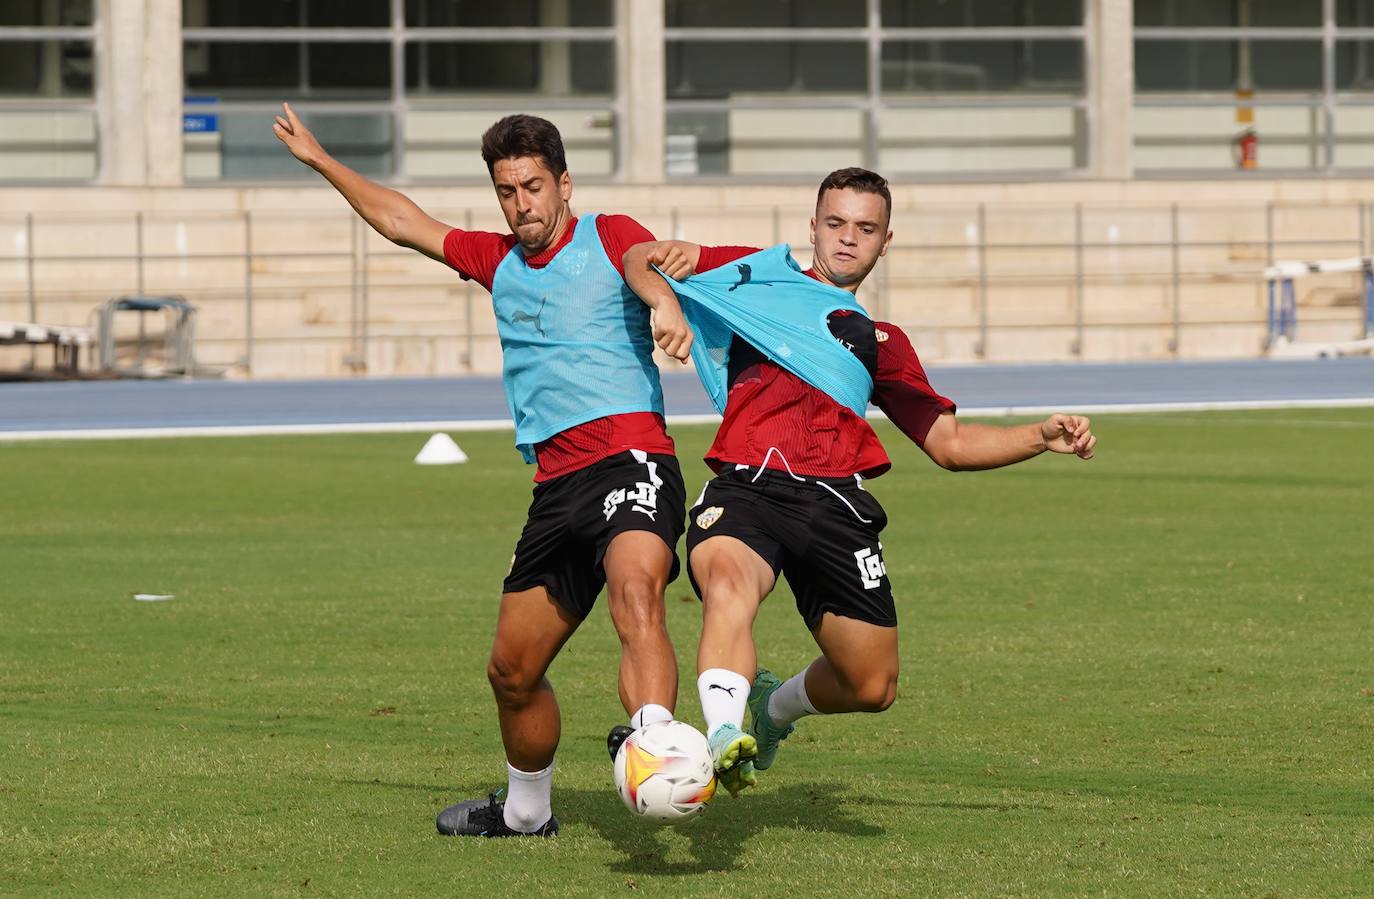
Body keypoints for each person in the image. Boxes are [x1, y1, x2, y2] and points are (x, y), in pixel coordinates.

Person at [274, 106, 698, 836]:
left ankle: (655, 744)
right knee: (511, 669)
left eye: (533, 186)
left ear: (565, 183)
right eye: (507, 190)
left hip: (632, 458)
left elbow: (642, 261)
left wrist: (662, 300)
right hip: (555, 485)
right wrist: (322, 161)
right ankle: (527, 814)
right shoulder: (496, 259)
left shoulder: (607, 232)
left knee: (636, 594)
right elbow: (404, 221)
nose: (521, 203)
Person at [622, 167, 1096, 796]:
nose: (848, 239)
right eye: (836, 224)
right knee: (729, 586)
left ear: (885, 240)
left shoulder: (883, 342)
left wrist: (1039, 437)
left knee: (872, 685)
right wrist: (667, 300)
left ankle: (771, 711)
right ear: (812, 227)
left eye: (865, 229)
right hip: (748, 486)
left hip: (837, 504)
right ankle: (720, 737)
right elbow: (638, 257)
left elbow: (948, 445)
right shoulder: (753, 274)